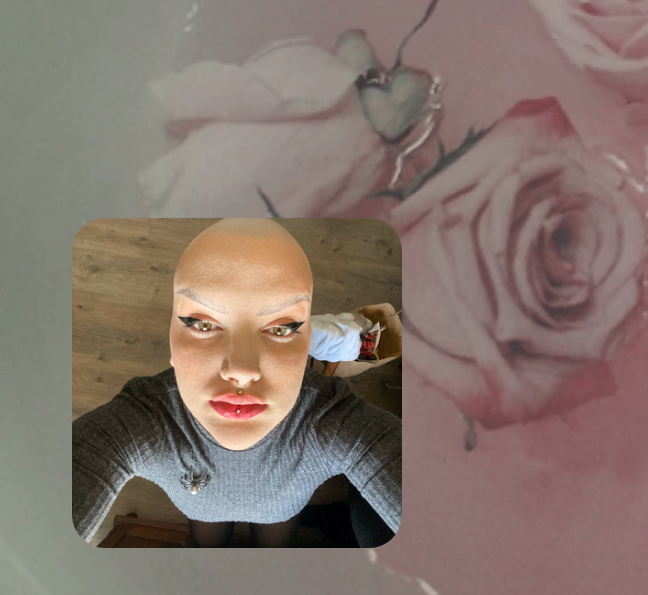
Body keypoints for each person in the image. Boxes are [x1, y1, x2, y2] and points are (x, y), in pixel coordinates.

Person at [72, 218, 401, 546]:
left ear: (307, 347)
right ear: (171, 339)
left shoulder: (331, 420)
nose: (242, 371)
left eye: (282, 328)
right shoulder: (144, 421)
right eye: (202, 324)